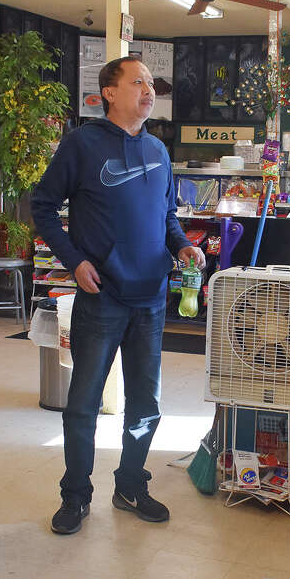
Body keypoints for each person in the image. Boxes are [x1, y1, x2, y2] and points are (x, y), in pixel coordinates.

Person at [30, 55, 205, 535]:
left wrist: (184, 246)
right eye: (138, 82)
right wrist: (75, 261)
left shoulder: (158, 150)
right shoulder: (82, 145)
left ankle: (130, 485)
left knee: (145, 404)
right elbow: (42, 206)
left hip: (151, 298)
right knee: (84, 402)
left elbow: (168, 217)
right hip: (102, 296)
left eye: (151, 84)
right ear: (109, 92)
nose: (149, 91)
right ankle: (75, 495)